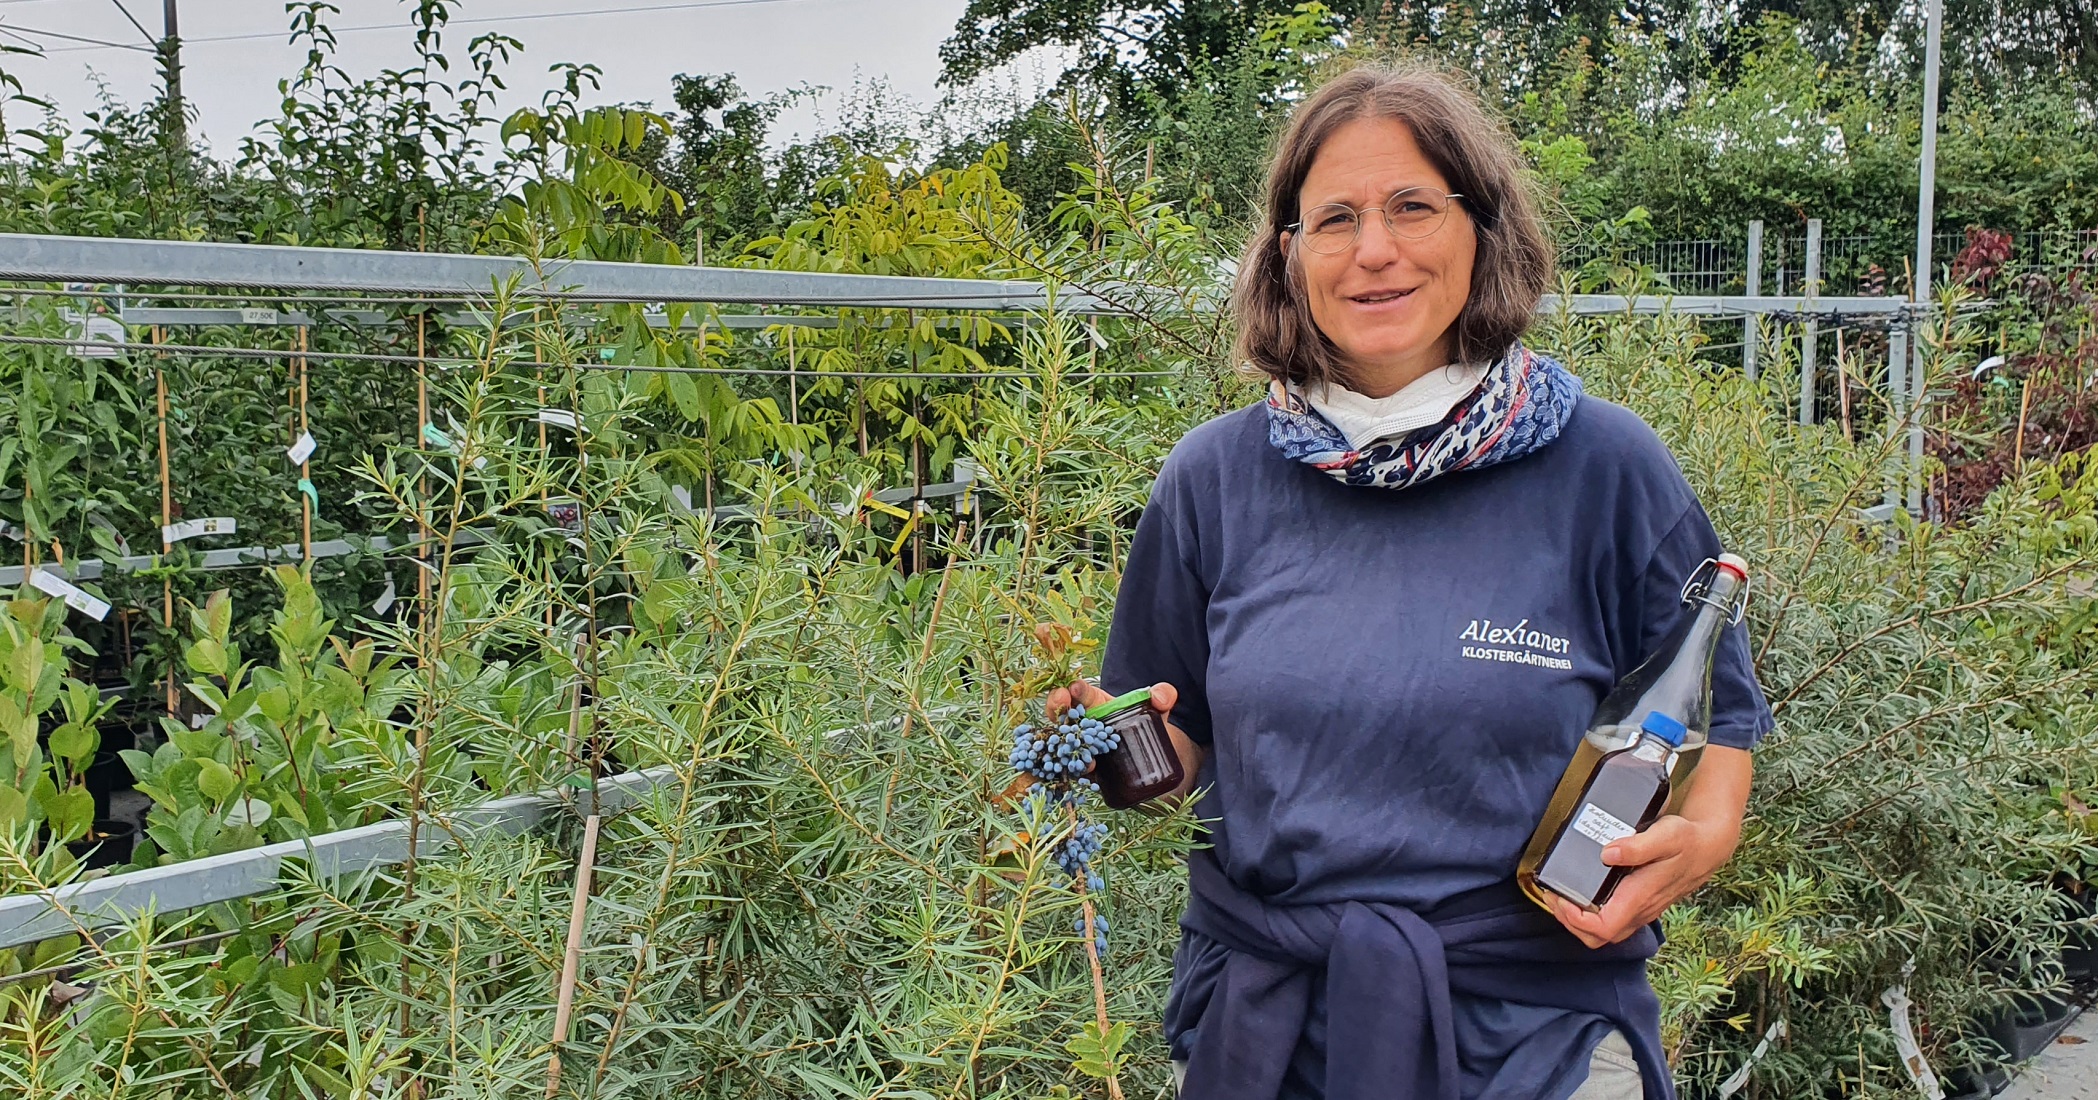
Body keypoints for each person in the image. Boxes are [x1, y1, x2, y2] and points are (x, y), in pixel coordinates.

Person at [1044, 63, 1772, 1100]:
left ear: (1482, 227)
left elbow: (1720, 721)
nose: (1373, 250)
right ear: (1287, 255)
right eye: (1332, 218)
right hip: (1264, 1030)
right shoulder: (1211, 479)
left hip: (1540, 1025)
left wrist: (1699, 836)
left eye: (1411, 207)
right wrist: (1112, 747)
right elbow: (1173, 740)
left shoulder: (1606, 467)